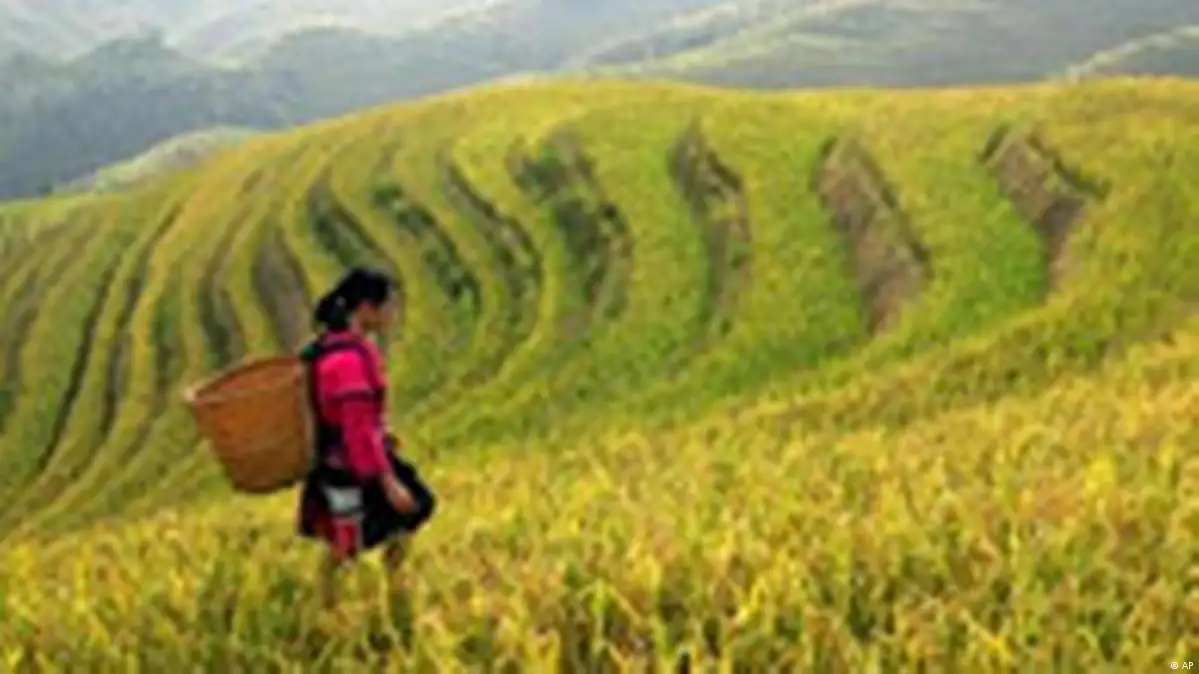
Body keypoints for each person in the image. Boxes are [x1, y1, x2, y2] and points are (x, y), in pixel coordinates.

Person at [296, 267, 436, 609]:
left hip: (344, 460)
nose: (393, 314)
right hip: (350, 465)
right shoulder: (346, 362)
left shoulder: (335, 350)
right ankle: (333, 601)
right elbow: (355, 428)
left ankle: (376, 586)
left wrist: (383, 434)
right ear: (366, 309)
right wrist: (387, 481)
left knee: (362, 533)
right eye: (388, 306)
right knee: (352, 539)